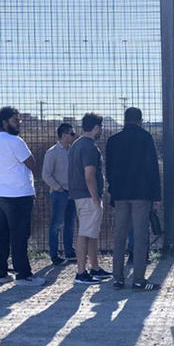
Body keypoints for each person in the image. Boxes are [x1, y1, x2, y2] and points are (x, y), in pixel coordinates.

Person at [105, 107, 161, 291]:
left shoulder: (113, 140)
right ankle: (138, 280)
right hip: (141, 194)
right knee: (140, 237)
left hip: (120, 194)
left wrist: (113, 190)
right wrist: (156, 196)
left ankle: (118, 279)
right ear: (140, 120)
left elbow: (109, 169)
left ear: (125, 119)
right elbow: (153, 168)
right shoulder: (145, 138)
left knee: (119, 236)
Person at [0, 107, 43, 287]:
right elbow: (31, 162)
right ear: (4, 122)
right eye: (15, 120)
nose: (18, 123)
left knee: (2, 234)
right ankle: (23, 274)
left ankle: (0, 272)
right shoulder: (14, 140)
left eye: (19, 120)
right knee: (20, 235)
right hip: (18, 193)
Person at [69, 113, 110, 285]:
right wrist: (95, 198)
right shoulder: (90, 147)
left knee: (91, 232)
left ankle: (95, 267)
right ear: (96, 128)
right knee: (85, 233)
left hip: (79, 195)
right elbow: (89, 175)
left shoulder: (76, 144)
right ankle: (81, 272)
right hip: (88, 196)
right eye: (100, 127)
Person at [42, 122, 76, 265]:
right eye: (72, 134)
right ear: (63, 135)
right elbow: (46, 174)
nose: (74, 136)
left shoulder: (72, 151)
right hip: (59, 193)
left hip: (72, 192)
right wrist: (58, 188)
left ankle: (69, 251)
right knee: (56, 224)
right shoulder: (52, 152)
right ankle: (54, 254)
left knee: (70, 224)